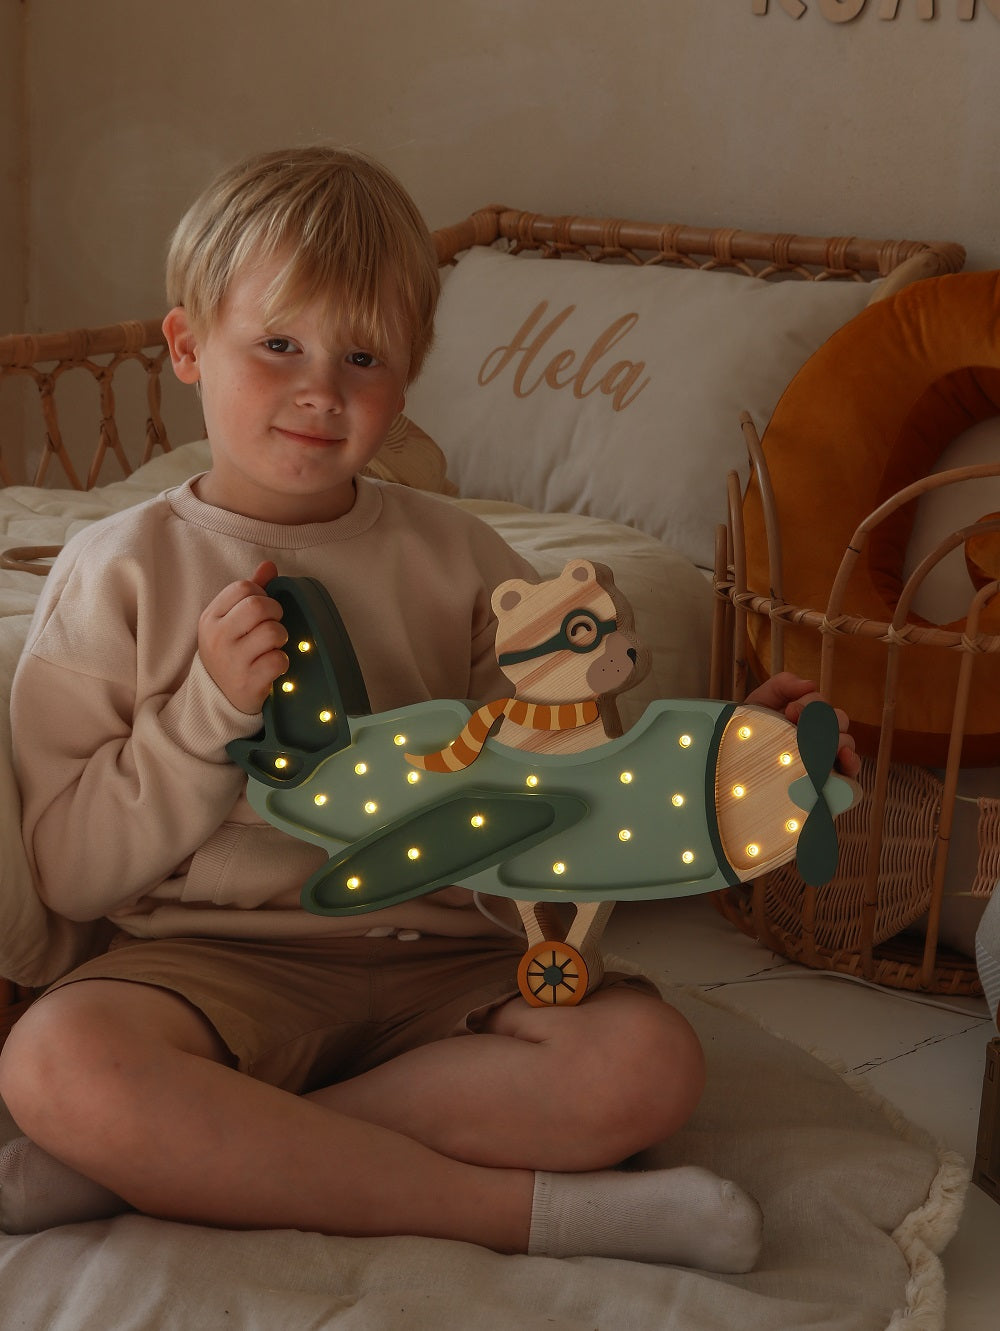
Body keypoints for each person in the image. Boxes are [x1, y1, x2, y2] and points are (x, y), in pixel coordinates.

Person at [0, 146, 858, 1265]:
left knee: (647, 1063)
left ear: (407, 379)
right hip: (209, 965)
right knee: (55, 1062)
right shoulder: (116, 570)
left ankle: (180, 1154)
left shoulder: (470, 560)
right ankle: (537, 1213)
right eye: (278, 346)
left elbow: (565, 800)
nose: (323, 389)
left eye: (364, 357)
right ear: (186, 345)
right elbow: (69, 871)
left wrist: (717, 765)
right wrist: (202, 714)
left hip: (446, 960)